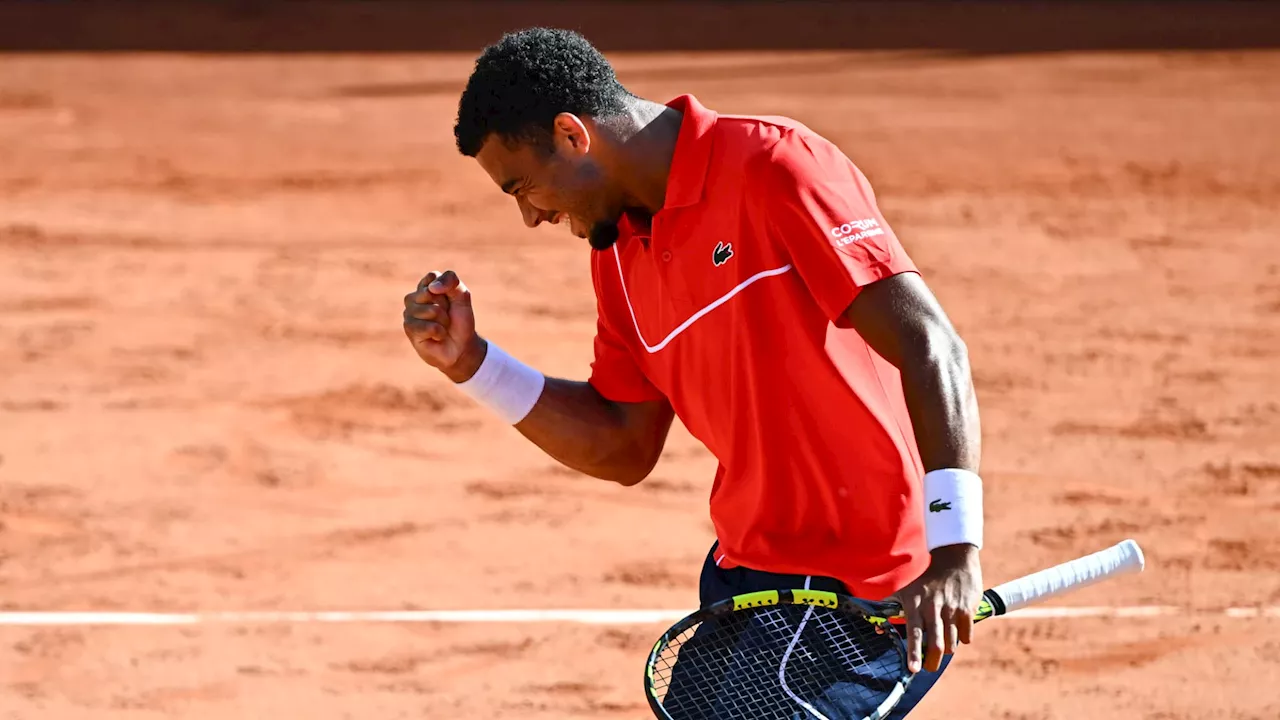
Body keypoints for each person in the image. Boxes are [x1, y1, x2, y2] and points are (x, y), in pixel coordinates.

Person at [403, 27, 985, 717]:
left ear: (571, 134)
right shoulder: (616, 254)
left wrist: (954, 552)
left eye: (523, 186)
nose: (530, 216)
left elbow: (932, 346)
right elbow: (622, 443)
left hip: (872, 585)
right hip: (751, 579)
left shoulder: (776, 167)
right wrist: (473, 365)